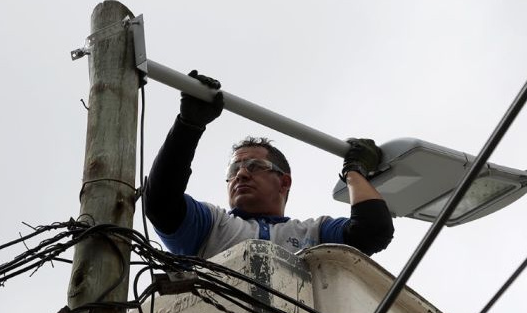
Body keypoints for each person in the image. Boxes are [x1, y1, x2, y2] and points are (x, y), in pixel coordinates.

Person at [143, 70, 395, 258]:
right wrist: (188, 126)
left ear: (284, 181)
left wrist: (353, 170)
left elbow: (372, 231)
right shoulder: (212, 226)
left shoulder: (314, 234)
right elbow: (160, 202)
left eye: (254, 166)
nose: (241, 174)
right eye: (234, 170)